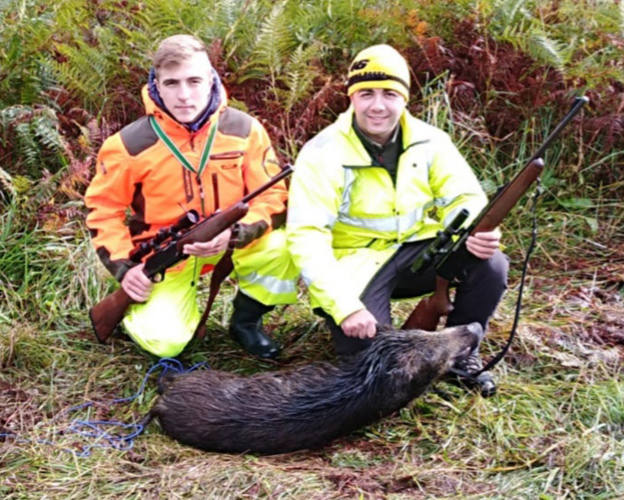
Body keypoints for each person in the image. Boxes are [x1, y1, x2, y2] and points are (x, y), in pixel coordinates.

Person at [286, 44, 508, 396]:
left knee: (491, 264)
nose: (377, 105)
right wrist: (345, 307)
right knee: (373, 365)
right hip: (354, 265)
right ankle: (394, 336)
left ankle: (461, 356)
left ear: (404, 98)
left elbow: (466, 197)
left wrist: (474, 232)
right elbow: (306, 237)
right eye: (366, 94)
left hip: (417, 251)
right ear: (351, 98)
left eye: (389, 93)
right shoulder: (321, 153)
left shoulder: (431, 141)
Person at [84, 34, 298, 359]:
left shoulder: (245, 130)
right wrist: (126, 271)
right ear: (156, 84)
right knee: (167, 344)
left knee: (285, 247)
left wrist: (234, 234)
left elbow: (273, 198)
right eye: (172, 83)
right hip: (166, 259)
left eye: (194, 81)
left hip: (230, 244)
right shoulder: (127, 144)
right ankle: (136, 313)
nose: (184, 95)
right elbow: (103, 211)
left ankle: (246, 322)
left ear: (211, 79)